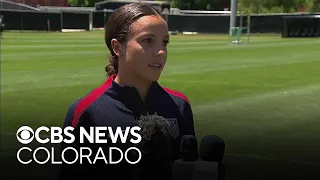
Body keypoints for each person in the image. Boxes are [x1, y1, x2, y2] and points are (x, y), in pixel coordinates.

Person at [59, 3, 196, 180]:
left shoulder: (180, 105)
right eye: (148, 40)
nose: (161, 52)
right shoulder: (87, 111)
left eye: (164, 42)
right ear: (117, 47)